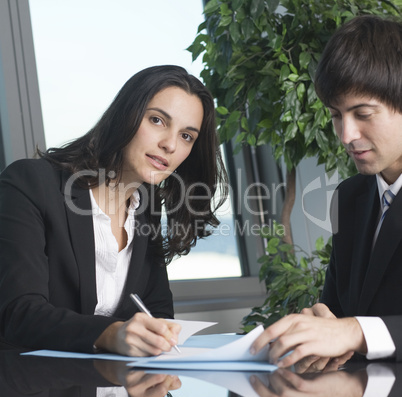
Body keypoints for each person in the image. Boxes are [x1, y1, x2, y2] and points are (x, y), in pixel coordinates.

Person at [0, 65, 227, 356]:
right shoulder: (30, 183)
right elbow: (18, 313)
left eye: (186, 136)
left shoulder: (146, 208)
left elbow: (157, 309)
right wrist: (110, 334)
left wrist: (159, 336)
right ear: (126, 115)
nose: (170, 144)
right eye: (157, 120)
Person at [250, 14, 402, 369]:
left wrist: (353, 333)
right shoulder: (351, 197)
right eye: (336, 115)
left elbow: (353, 329)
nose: (346, 135)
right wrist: (322, 324)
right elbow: (337, 311)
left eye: (363, 113)